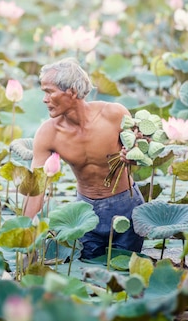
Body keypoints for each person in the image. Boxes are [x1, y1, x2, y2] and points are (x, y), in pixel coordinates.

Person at [24, 58, 144, 260]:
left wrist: (132, 156)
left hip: (126, 206)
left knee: (124, 276)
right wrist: (25, 233)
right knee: (88, 274)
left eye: (49, 91)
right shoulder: (48, 134)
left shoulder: (114, 114)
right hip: (85, 213)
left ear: (71, 91)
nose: (44, 99)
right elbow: (36, 187)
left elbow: (139, 156)